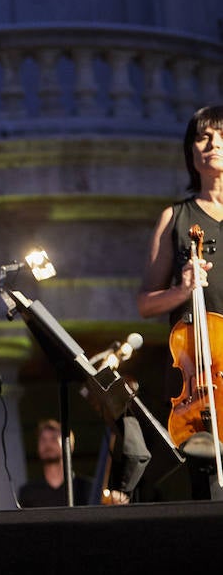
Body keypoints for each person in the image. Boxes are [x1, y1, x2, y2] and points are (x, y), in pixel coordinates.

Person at [138, 104, 223, 497]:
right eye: (202, 137)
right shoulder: (175, 217)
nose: (211, 144)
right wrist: (182, 291)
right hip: (201, 387)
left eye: (219, 135)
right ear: (192, 153)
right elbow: (146, 304)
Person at [18, 419, 91, 507]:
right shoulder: (28, 492)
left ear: (69, 446)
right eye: (43, 440)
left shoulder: (88, 488)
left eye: (53, 439)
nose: (47, 444)